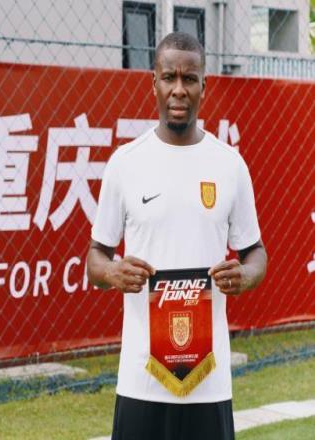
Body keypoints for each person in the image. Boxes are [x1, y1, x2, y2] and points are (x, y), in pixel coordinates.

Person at [87, 32, 267, 440]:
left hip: (209, 381)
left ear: (205, 84)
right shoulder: (125, 164)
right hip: (141, 379)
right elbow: (95, 257)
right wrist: (113, 271)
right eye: (169, 77)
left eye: (189, 78)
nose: (179, 90)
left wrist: (246, 275)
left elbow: (255, 251)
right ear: (154, 82)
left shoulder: (229, 165)